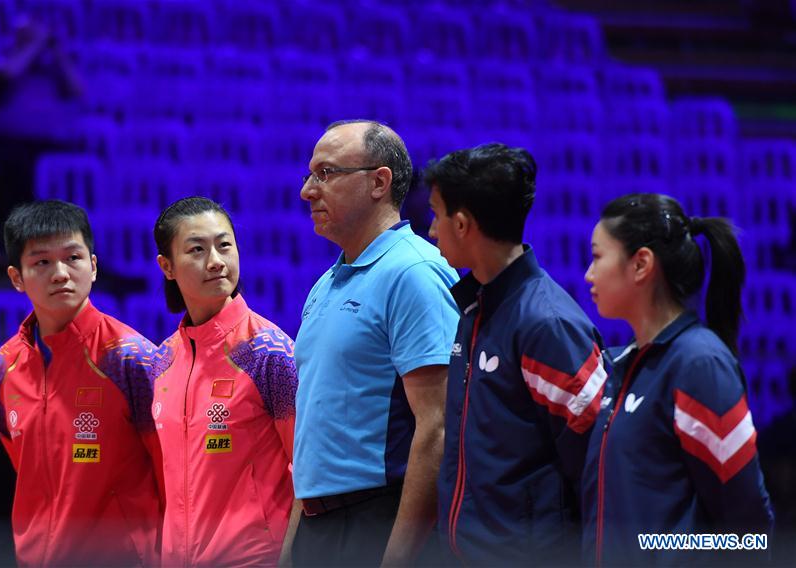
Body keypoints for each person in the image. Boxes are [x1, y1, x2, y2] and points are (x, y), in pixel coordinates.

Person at [425, 143, 607, 565]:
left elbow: (600, 462)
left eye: (436, 214)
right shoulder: (475, 307)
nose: (432, 230)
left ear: (463, 223)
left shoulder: (548, 324)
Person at [287, 120, 460, 567]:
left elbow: (438, 426)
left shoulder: (414, 272)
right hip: (318, 525)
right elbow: (311, 437)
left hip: (375, 521)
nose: (308, 190)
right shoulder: (325, 284)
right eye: (309, 175)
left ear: (379, 182)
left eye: (325, 174)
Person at [581, 193, 774, 565]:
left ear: (641, 265)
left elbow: (750, 534)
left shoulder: (699, 364)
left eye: (598, 256)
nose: (589, 273)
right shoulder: (623, 363)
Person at [0, 199, 164, 567]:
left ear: (94, 266)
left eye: (73, 258)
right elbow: (26, 468)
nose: (60, 273)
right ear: (16, 278)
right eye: (41, 262)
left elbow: (170, 468)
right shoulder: (6, 364)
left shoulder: (129, 358)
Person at [150, 197, 298, 566]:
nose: (215, 261)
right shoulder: (162, 361)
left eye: (224, 245)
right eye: (197, 249)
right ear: (166, 266)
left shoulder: (269, 352)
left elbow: (309, 469)